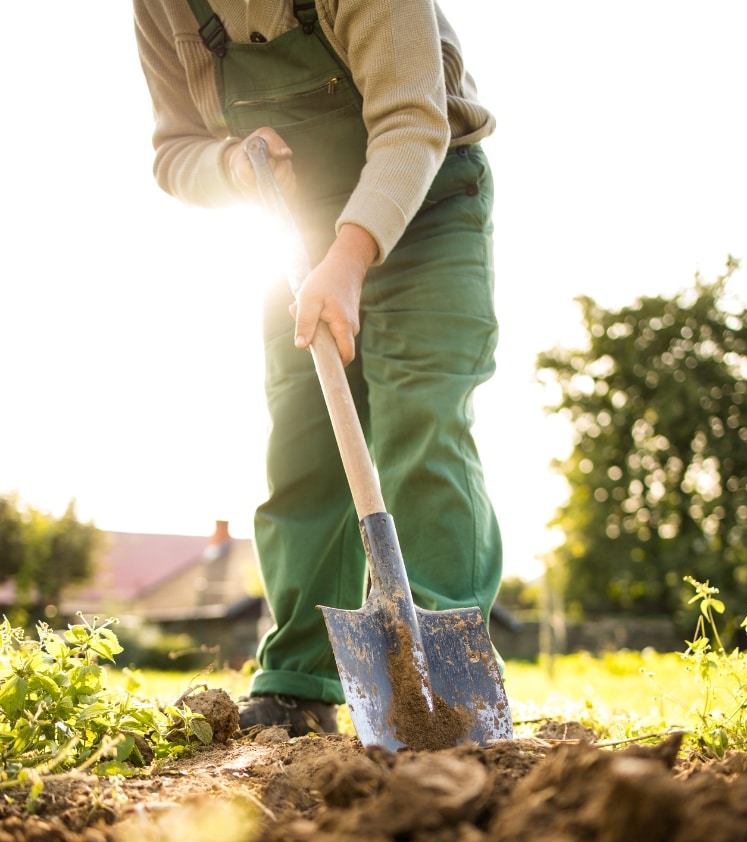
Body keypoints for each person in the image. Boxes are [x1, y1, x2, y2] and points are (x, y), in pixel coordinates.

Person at [133, 0, 504, 735]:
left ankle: (444, 689)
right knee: (304, 449)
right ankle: (299, 681)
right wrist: (230, 164)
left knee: (422, 423)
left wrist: (350, 255)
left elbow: (412, 119)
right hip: (296, 230)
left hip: (424, 203)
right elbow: (175, 149)